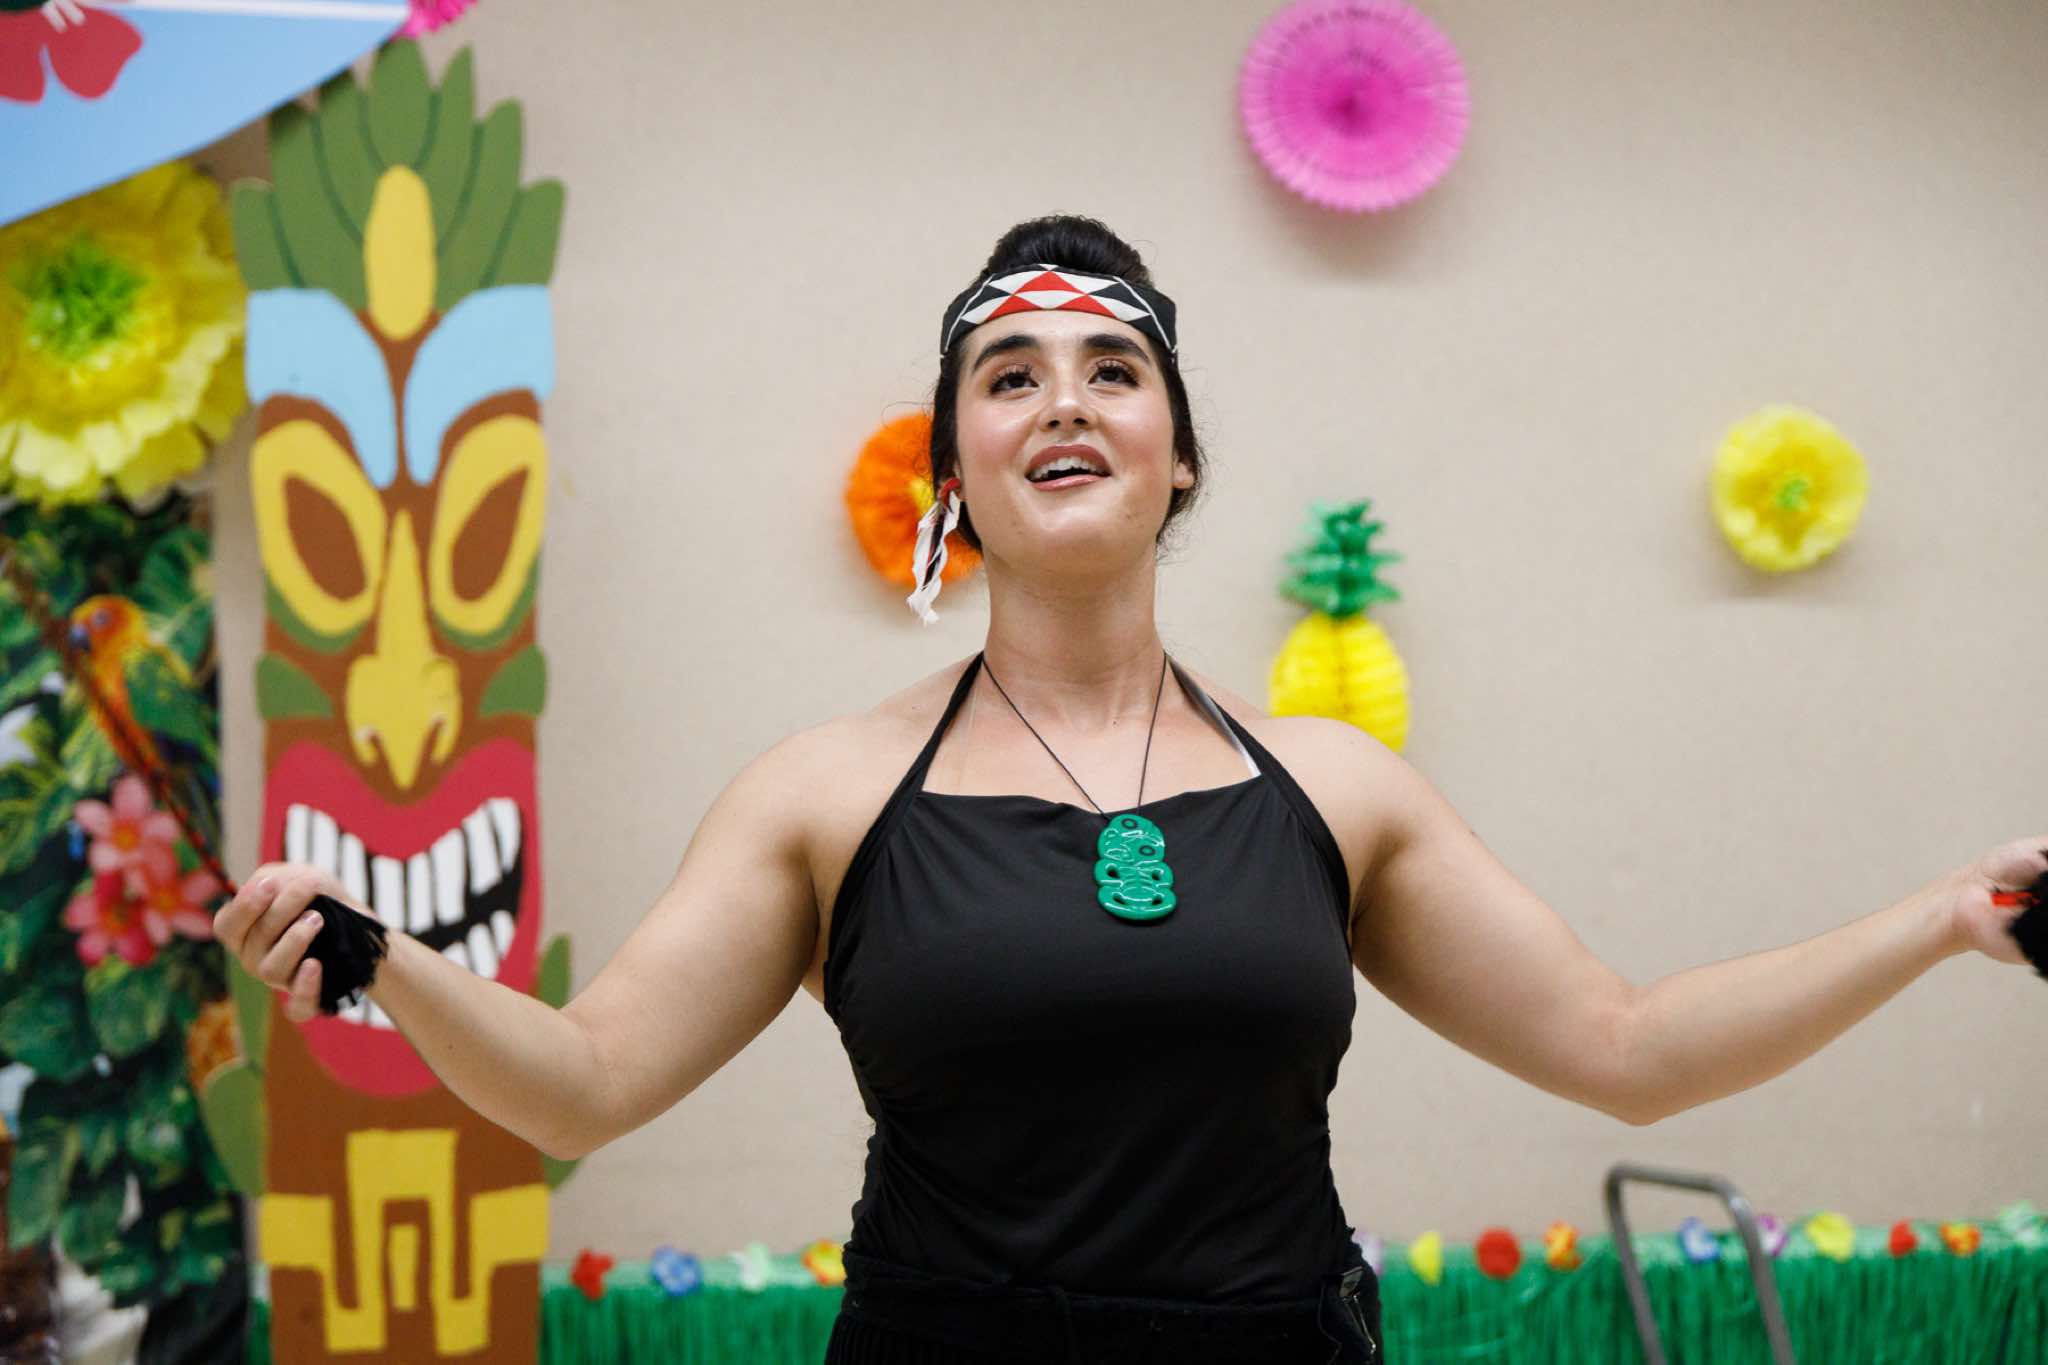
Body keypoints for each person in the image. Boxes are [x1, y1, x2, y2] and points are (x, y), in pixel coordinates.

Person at [213, 214, 2045, 1365]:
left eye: (1114, 367)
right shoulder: (825, 793)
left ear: (1180, 458)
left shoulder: (1335, 787)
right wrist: (386, 959)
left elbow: (1629, 1044)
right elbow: (587, 1081)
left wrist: (1946, 919)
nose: (1065, 401)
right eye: (1008, 375)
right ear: (954, 477)